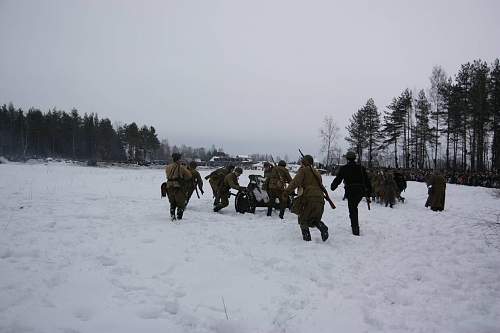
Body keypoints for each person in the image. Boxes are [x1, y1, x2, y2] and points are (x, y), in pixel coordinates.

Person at [284, 155, 329, 242]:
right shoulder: (317, 172)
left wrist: (286, 191)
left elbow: (295, 182)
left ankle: (307, 240)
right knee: (314, 219)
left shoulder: (303, 170)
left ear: (304, 162)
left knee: (302, 219)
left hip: (308, 198)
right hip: (320, 198)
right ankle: (323, 228)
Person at [330, 151, 371, 236]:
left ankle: (355, 229)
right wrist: (369, 192)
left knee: (352, 209)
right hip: (360, 191)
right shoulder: (361, 168)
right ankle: (355, 226)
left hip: (350, 191)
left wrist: (333, 186)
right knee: (354, 207)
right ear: (354, 158)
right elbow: (367, 181)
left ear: (347, 159)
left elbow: (338, 179)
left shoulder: (344, 168)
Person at [165, 153, 192, 221]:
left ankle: (172, 215)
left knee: (172, 202)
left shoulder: (168, 167)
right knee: (181, 203)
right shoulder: (181, 167)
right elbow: (189, 176)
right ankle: (179, 217)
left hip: (169, 186)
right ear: (179, 159)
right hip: (178, 186)